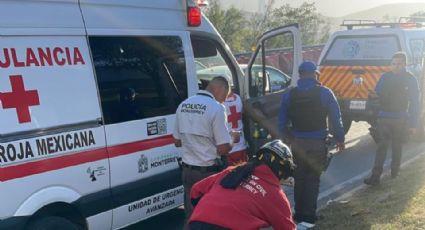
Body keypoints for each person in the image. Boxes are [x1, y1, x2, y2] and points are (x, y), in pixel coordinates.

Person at [278, 61, 345, 224]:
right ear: (316, 74)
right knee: (313, 179)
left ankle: (298, 214)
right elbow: (336, 119)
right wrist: (340, 139)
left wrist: (286, 139)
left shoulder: (289, 94)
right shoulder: (325, 93)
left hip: (297, 143)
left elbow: (281, 122)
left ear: (300, 75)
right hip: (318, 143)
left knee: (299, 178)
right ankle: (309, 216)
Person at [188, 140, 296, 230]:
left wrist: (209, 212)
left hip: (196, 224)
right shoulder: (275, 194)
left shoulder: (232, 171)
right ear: (282, 171)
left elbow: (196, 190)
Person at [173, 76, 239, 224]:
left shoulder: (183, 105)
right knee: (211, 218)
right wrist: (233, 138)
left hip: (187, 172)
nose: (223, 101)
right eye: (225, 97)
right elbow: (223, 149)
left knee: (191, 217)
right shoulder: (216, 108)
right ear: (219, 89)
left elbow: (177, 142)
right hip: (208, 173)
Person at [364, 52, 420, 185]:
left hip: (401, 119)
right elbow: (376, 95)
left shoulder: (410, 79)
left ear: (405, 64)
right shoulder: (384, 77)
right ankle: (375, 177)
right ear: (390, 64)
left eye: (399, 64)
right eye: (393, 64)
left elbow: (415, 103)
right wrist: (373, 104)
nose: (396, 67)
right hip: (384, 118)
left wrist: (412, 124)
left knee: (397, 146)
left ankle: (395, 172)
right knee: (381, 147)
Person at [224, 91, 249, 165]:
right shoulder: (238, 98)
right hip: (241, 143)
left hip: (228, 145)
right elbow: (243, 112)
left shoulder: (219, 102)